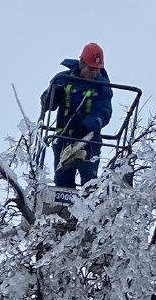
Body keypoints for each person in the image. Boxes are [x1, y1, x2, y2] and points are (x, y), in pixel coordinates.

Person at [40, 42, 114, 194]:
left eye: (97, 69)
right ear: (82, 64)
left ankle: (88, 210)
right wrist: (53, 95)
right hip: (63, 140)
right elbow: (46, 103)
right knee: (62, 184)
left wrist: (88, 125)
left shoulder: (102, 87)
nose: (94, 73)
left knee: (89, 184)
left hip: (89, 141)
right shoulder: (62, 80)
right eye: (91, 68)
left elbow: (104, 112)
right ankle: (62, 213)